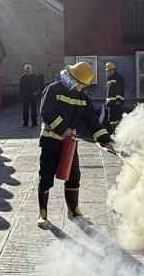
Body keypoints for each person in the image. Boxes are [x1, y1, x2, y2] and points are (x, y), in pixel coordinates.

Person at [37, 62, 113, 229]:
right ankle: (43, 214)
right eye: (77, 83)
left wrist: (106, 140)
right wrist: (63, 129)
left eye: (82, 85)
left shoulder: (83, 98)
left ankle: (74, 211)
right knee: (46, 176)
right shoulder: (54, 89)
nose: (79, 87)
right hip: (51, 140)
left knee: (74, 175)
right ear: (71, 77)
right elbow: (46, 113)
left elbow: (92, 121)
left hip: (69, 143)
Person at [102, 61, 126, 135]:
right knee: (111, 120)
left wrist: (118, 100)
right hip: (110, 103)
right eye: (107, 71)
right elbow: (109, 92)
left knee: (116, 119)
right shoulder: (110, 79)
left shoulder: (118, 78)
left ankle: (117, 134)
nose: (108, 72)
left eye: (109, 70)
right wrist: (107, 101)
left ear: (113, 70)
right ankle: (113, 134)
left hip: (116, 103)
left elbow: (120, 89)